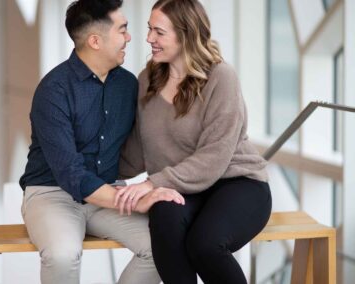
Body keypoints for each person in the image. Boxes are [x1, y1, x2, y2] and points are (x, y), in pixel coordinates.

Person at [19, 0, 184, 283]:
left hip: (105, 193)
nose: (130, 38)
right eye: (123, 30)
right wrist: (134, 202)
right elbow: (70, 174)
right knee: (62, 255)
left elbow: (149, 140)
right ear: (95, 41)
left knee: (165, 249)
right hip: (52, 193)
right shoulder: (53, 91)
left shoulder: (129, 85)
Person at [116, 0, 272, 283]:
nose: (149, 38)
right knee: (163, 216)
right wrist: (86, 172)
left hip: (237, 183)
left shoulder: (221, 76)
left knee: (204, 245)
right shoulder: (147, 79)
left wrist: (152, 183)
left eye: (159, 32)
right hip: (183, 188)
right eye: (150, 29)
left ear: (186, 34)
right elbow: (138, 151)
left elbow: (215, 156)